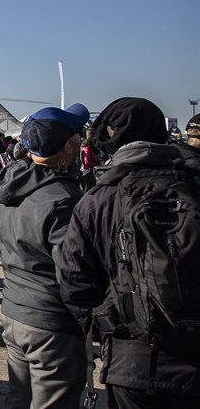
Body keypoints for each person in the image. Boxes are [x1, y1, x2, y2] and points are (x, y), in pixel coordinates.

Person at [59, 98, 200, 408]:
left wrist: (106, 325)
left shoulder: (98, 198)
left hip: (131, 359)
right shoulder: (194, 187)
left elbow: (74, 282)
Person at [0, 104, 90, 408]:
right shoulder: (62, 198)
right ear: (66, 145)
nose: (81, 138)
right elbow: (72, 272)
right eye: (77, 134)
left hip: (14, 310)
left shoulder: (10, 182)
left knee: (19, 399)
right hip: (50, 320)